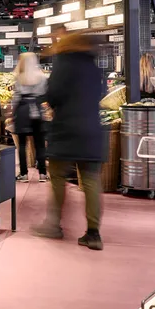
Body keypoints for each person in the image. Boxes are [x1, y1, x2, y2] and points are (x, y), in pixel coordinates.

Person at [34, 31, 107, 250]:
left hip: (66, 130)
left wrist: (45, 101)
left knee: (57, 178)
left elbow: (54, 94)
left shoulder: (63, 64)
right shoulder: (95, 68)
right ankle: (93, 234)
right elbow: (101, 93)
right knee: (92, 182)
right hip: (92, 130)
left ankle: (53, 225)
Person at [10, 52, 48, 182]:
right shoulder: (42, 77)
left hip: (23, 110)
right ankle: (43, 173)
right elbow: (45, 94)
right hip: (37, 109)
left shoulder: (19, 77)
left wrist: (12, 113)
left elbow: (16, 98)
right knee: (40, 144)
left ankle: (24, 173)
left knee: (22, 144)